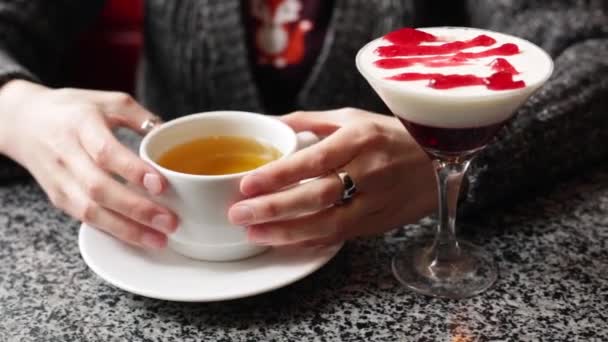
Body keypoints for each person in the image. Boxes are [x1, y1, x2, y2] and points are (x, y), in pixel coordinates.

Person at [0, 1, 606, 249]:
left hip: (380, 257)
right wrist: (15, 108)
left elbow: (594, 52)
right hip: (163, 243)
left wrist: (461, 157)